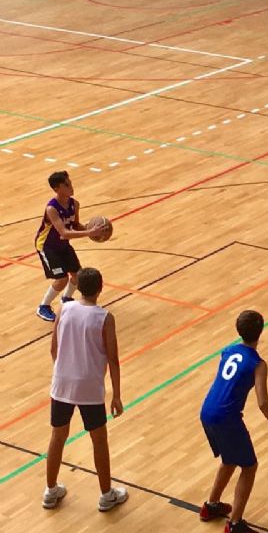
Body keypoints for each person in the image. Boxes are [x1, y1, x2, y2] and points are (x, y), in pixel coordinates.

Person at [43, 267, 127, 511]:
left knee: (58, 436)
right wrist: (117, 395)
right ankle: (106, 495)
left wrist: (63, 372)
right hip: (89, 387)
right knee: (99, 440)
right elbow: (113, 359)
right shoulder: (105, 318)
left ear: (78, 287)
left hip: (62, 383)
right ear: (101, 288)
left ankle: (50, 491)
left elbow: (53, 349)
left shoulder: (64, 309)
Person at [200, 310, 268, 533]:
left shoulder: (227, 351)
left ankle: (211, 506)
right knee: (249, 467)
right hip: (227, 418)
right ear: (261, 331)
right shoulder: (258, 365)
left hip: (207, 411)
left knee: (230, 459)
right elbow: (263, 403)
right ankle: (234, 524)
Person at [35, 171, 105, 322]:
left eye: (70, 183)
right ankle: (43, 306)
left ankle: (66, 298)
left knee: (77, 275)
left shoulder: (75, 204)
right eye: (66, 185)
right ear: (57, 189)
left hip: (62, 245)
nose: (71, 187)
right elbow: (65, 233)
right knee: (62, 279)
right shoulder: (51, 209)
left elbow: (75, 225)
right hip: (47, 246)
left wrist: (92, 230)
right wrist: (89, 232)